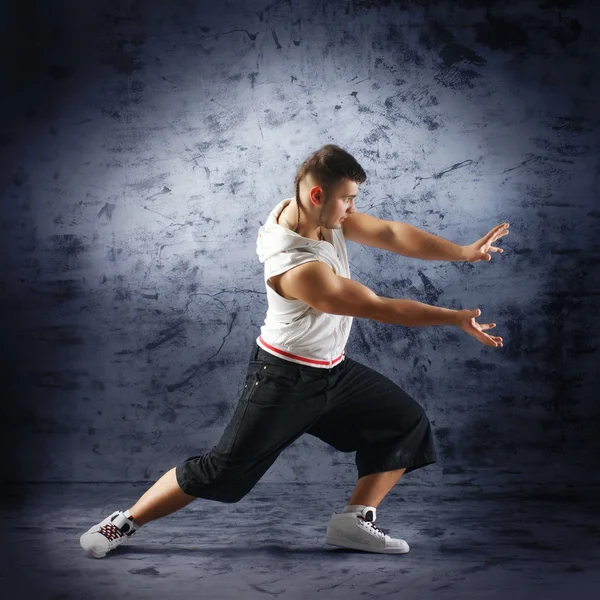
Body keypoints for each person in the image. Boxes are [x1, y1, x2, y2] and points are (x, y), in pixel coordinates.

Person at [80, 144, 509, 558]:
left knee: (406, 423)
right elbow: (379, 308)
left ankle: (353, 522)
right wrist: (452, 317)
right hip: (283, 379)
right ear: (317, 194)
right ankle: (123, 522)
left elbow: (391, 232)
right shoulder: (296, 266)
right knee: (221, 472)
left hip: (333, 371)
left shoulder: (318, 213)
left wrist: (464, 252)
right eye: (347, 199)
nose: (353, 210)